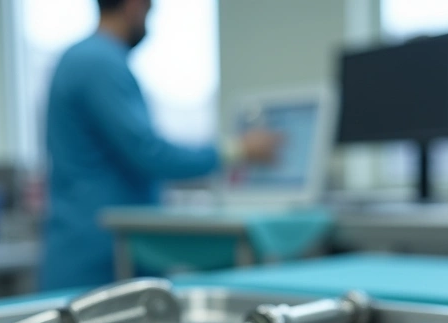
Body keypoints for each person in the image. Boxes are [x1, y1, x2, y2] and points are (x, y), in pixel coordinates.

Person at [40, 0, 281, 289]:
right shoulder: (99, 63)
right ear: (133, 6)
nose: (149, 22)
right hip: (100, 256)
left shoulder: (79, 58)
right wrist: (239, 149)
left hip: (83, 243)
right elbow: (150, 153)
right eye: (149, 11)